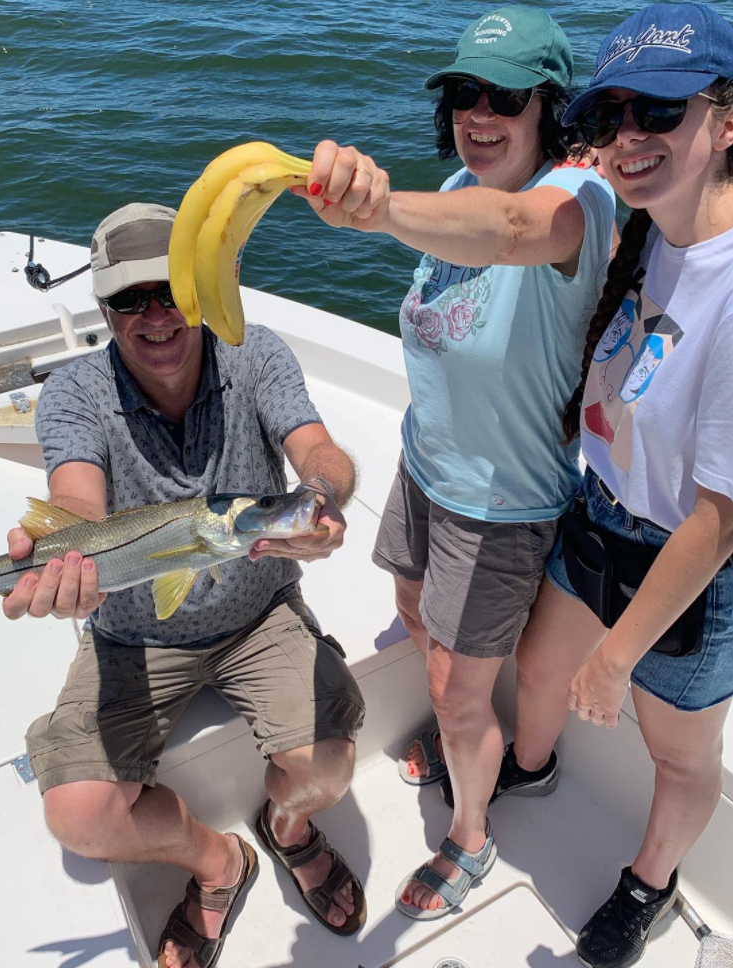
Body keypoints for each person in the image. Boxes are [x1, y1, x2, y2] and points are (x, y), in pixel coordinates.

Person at [494, 5, 733, 966]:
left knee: (677, 753)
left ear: (728, 123)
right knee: (539, 670)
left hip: (692, 571)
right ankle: (530, 767)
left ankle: (650, 881)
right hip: (603, 514)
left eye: (658, 114)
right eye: (609, 115)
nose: (629, 137)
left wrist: (617, 655)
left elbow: (725, 512)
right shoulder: (656, 226)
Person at [292, 5, 617, 919]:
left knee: (450, 687)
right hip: (425, 466)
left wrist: (379, 211)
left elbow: (513, 228)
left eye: (504, 96)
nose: (479, 113)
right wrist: (404, 209)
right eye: (463, 93)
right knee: (408, 608)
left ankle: (471, 838)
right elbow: (474, 220)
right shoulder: (455, 185)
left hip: (500, 504)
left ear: (548, 107)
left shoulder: (577, 201)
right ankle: (461, 731)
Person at [5, 203, 367, 968]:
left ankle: (288, 829)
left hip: (257, 610)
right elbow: (75, 501)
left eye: (170, 289)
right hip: (132, 631)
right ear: (104, 309)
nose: (155, 315)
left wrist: (321, 496)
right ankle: (218, 862)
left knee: (327, 767)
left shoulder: (254, 354)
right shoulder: (74, 392)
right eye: (129, 299)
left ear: (203, 288)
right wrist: (59, 555)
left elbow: (318, 450)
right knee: (79, 816)